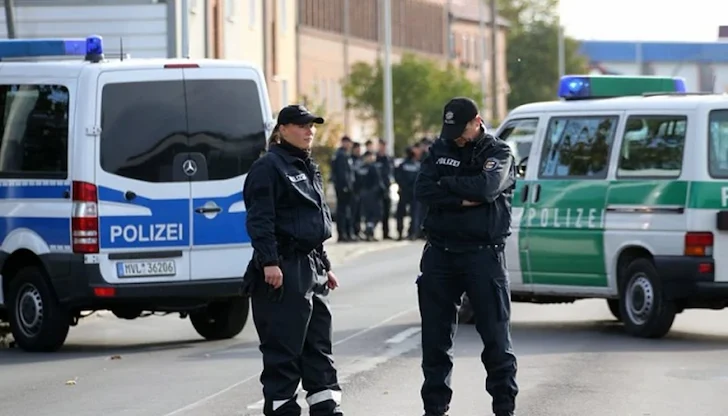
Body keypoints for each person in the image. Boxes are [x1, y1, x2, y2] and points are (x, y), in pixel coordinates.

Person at [414, 97, 518, 416]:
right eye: (452, 131)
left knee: (496, 340)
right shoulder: (440, 148)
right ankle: (435, 408)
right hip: (441, 252)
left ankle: (504, 407)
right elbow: (422, 189)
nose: (457, 137)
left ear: (477, 121)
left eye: (462, 130)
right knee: (435, 341)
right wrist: (461, 198)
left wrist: (447, 184)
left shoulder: (498, 152)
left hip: (482, 255)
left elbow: (486, 188)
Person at [242, 104, 344, 416]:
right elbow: (260, 219)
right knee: (284, 350)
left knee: (318, 347)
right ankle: (282, 409)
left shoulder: (308, 166)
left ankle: (326, 408)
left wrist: (325, 265)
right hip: (284, 267)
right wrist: (269, 262)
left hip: (311, 267)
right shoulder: (268, 167)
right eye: (302, 125)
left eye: (312, 126)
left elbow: (313, 222)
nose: (309, 131)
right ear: (283, 129)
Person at [330, 136, 356, 242]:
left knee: (346, 210)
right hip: (343, 187)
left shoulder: (345, 154)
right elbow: (342, 173)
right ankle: (343, 234)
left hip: (346, 186)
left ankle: (347, 233)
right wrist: (345, 186)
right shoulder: (341, 155)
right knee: (343, 211)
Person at [394, 145, 421, 240]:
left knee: (401, 213)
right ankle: (412, 233)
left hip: (404, 191)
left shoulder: (402, 165)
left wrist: (402, 186)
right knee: (414, 214)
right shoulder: (418, 165)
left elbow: (397, 177)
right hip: (413, 192)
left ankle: (400, 232)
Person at [356, 151, 385, 241]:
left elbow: (357, 182)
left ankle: (369, 233)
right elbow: (378, 182)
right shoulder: (373, 167)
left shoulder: (360, 168)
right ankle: (369, 231)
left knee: (367, 215)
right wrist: (382, 191)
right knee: (376, 215)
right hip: (373, 194)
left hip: (363, 194)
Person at [375, 138, 394, 239]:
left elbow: (391, 172)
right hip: (376, 188)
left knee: (386, 211)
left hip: (387, 188)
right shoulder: (375, 158)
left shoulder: (388, 159)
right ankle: (371, 232)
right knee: (376, 211)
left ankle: (386, 233)